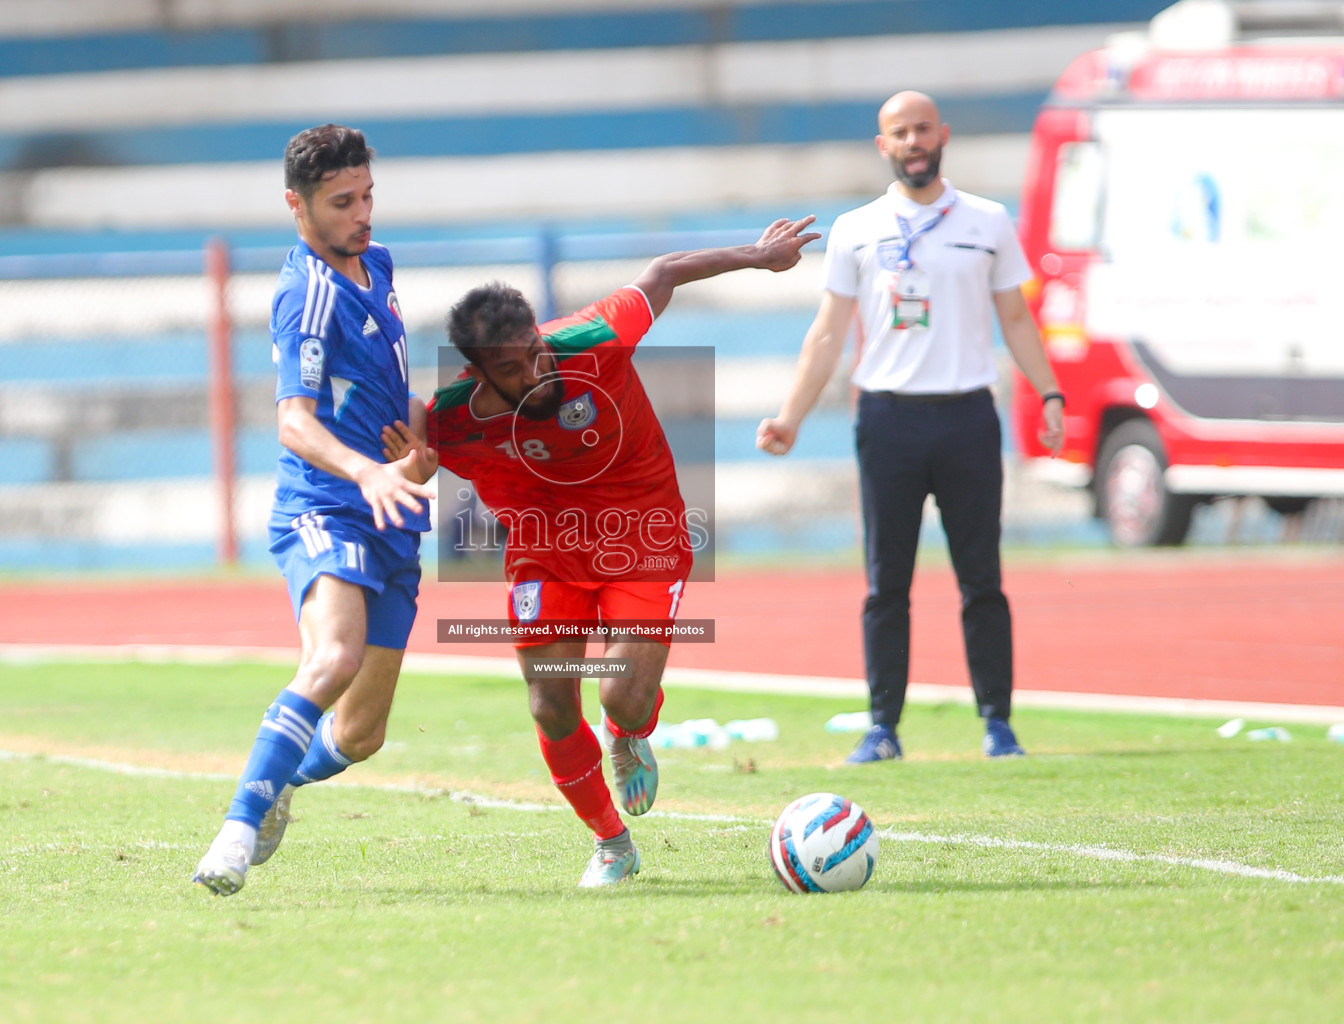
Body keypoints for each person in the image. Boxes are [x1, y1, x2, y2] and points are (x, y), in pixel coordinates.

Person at [386, 217, 818, 886]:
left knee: (619, 697)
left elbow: (663, 271)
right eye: (510, 368)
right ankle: (612, 843)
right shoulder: (453, 417)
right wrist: (409, 465)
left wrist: (760, 257)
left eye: (534, 350)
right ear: (478, 375)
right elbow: (407, 452)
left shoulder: (596, 337)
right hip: (544, 555)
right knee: (550, 705)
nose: (534, 371)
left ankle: (630, 730)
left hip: (643, 536)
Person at [757, 91, 1064, 764]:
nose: (914, 140)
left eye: (923, 128)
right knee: (885, 582)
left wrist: (1048, 391)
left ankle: (998, 724)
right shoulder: (856, 229)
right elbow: (829, 332)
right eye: (901, 131)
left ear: (943, 135)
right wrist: (790, 417)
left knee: (980, 577)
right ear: (884, 145)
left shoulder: (987, 220)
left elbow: (1015, 317)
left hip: (966, 416)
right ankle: (882, 727)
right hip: (888, 418)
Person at [192, 125, 434, 895]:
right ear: (296, 206)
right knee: (332, 658)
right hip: (327, 503)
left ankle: (280, 782)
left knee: (362, 734)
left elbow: (390, 398)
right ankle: (235, 831)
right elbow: (294, 420)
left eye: (368, 195)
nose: (363, 214)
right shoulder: (303, 293)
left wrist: (422, 446)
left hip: (392, 509)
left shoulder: (377, 266)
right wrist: (368, 471)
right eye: (342, 202)